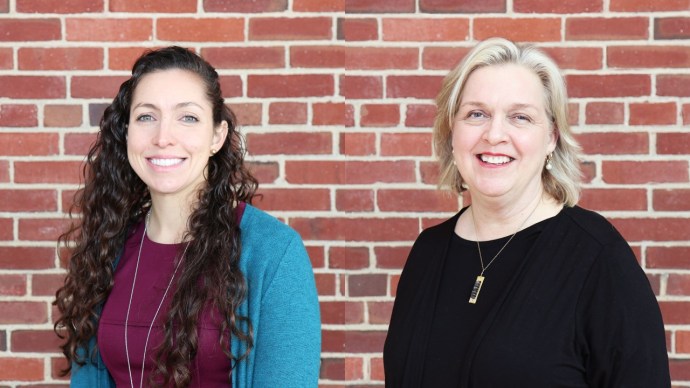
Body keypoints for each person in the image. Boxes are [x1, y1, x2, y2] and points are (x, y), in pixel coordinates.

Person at [383, 37, 670, 387]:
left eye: (520, 117)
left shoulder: (598, 259)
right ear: (451, 131)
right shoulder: (428, 251)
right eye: (476, 114)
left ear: (551, 138)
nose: (494, 134)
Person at [54, 46, 321, 388]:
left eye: (188, 117)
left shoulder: (274, 253)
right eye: (146, 117)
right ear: (126, 133)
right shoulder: (108, 246)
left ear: (217, 136)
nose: (163, 137)